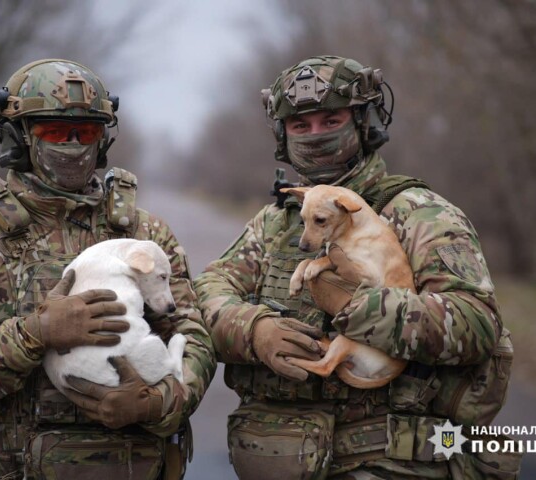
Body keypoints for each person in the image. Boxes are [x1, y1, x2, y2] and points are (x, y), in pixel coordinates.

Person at [194, 55, 521, 479]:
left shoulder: (417, 213)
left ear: (364, 123)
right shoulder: (275, 222)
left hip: (389, 461)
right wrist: (252, 331)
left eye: (331, 120)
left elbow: (476, 324)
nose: (315, 135)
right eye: (300, 125)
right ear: (282, 135)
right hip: (279, 458)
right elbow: (205, 296)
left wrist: (362, 307)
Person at [0, 58, 216, 480]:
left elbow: (193, 336)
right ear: (19, 137)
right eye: (54, 131)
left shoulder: (143, 234)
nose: (72, 144)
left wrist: (159, 401)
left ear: (102, 140)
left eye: (86, 131)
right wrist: (35, 333)